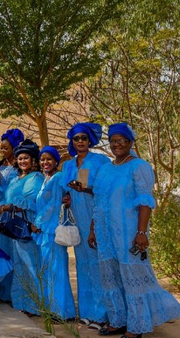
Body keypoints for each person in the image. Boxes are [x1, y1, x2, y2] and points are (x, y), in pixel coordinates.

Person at [91, 123, 180, 338]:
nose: (117, 144)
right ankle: (117, 321)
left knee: (133, 277)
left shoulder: (139, 166)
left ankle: (136, 326)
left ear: (130, 142)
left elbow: (145, 201)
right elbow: (98, 202)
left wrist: (141, 232)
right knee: (111, 277)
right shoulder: (105, 169)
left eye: (121, 140)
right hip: (105, 234)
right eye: (113, 141)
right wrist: (93, 229)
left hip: (128, 233)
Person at [61, 122, 110, 329]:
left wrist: (86, 189)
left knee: (100, 266)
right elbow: (68, 189)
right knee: (83, 265)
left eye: (83, 138)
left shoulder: (99, 161)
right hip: (77, 219)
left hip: (96, 215)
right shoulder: (69, 165)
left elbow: (104, 190)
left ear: (89, 140)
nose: (80, 142)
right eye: (76, 138)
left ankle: (103, 314)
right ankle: (88, 312)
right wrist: (68, 197)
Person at [0, 139, 45, 316]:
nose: (23, 161)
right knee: (20, 264)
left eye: (26, 158)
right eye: (20, 158)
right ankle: (22, 302)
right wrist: (2, 205)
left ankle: (35, 305)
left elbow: (29, 200)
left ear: (33, 160)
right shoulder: (16, 179)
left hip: (27, 225)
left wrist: (8, 206)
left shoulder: (36, 177)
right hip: (15, 228)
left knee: (31, 265)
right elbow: (7, 197)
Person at [32, 146, 76, 320]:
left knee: (57, 271)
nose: (45, 162)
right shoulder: (45, 179)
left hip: (51, 231)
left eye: (49, 159)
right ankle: (53, 309)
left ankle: (61, 312)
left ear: (56, 161)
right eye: (42, 159)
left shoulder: (57, 178)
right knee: (49, 271)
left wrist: (37, 223)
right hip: (45, 232)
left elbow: (54, 204)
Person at [0, 128, 24, 301]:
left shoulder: (18, 167)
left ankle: (15, 292)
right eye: (1, 148)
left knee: (14, 251)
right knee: (1, 250)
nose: (3, 151)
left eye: (6, 148)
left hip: (12, 211)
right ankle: (3, 290)